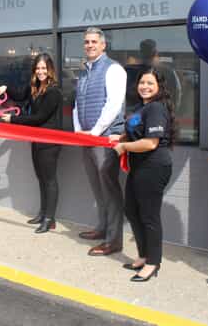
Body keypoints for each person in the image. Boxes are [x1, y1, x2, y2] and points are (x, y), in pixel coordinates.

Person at [111, 66, 176, 282]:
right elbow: (136, 132)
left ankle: (153, 263)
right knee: (131, 209)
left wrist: (125, 147)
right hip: (139, 166)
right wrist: (121, 138)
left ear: (159, 87)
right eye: (142, 82)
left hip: (154, 166)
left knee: (149, 216)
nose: (145, 87)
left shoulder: (156, 108)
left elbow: (150, 143)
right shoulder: (142, 107)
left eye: (150, 83)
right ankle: (143, 255)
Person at [0, 53, 63, 233]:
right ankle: (43, 214)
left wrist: (14, 119)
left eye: (44, 68)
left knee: (49, 180)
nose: (41, 72)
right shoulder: (34, 88)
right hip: (36, 139)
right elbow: (18, 94)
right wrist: (5, 88)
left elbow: (39, 118)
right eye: (38, 68)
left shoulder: (53, 91)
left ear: (50, 70)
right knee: (41, 178)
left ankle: (49, 219)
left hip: (49, 142)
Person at [73, 27, 127, 256]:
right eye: (86, 42)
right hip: (87, 138)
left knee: (110, 189)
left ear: (103, 45)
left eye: (94, 41)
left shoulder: (113, 69)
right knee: (98, 188)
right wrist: (78, 131)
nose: (90, 45)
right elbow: (77, 104)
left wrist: (94, 132)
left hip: (104, 139)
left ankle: (114, 241)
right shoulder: (84, 72)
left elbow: (113, 105)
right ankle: (103, 228)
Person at [126, 39, 182, 115]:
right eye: (142, 83)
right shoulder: (130, 71)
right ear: (156, 53)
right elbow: (177, 97)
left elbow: (176, 95)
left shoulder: (168, 72)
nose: (145, 87)